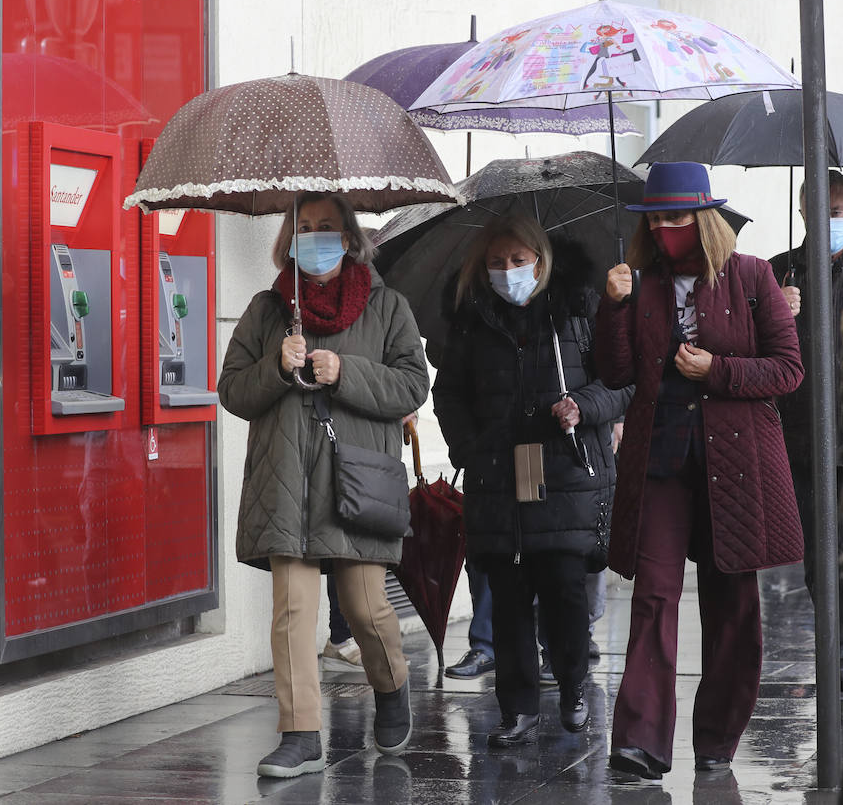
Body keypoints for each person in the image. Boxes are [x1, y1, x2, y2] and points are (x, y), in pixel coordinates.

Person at [597, 162, 804, 779]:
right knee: (653, 595)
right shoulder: (637, 283)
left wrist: (714, 370)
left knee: (732, 601)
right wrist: (613, 308)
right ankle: (640, 741)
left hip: (736, 464)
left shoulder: (751, 276)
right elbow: (615, 373)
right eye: (655, 219)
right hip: (660, 459)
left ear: (705, 219)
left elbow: (787, 370)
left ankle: (717, 736)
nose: (665, 229)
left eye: (677, 218)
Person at [218, 192, 429, 778]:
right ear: (290, 238)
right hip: (286, 481)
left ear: (348, 236)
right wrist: (276, 367)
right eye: (304, 226)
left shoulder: (386, 307)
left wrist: (346, 371)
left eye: (326, 227)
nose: (315, 237)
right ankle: (301, 733)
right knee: (292, 610)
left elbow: (413, 384)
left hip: (354, 478)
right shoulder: (267, 311)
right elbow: (232, 390)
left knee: (365, 607)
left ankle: (392, 685)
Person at [433, 215, 631, 747]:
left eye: (518, 260)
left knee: (565, 590)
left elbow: (621, 383)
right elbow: (448, 393)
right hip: (499, 476)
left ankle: (572, 688)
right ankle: (516, 708)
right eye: (497, 262)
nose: (508, 271)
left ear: (540, 262)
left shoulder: (578, 309)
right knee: (510, 595)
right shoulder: (472, 318)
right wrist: (470, 448)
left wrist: (583, 407)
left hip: (566, 473)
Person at [767, 169, 843, 607]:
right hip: (802, 440)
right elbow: (751, 348)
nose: (826, 220)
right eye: (817, 211)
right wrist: (775, 310)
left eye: (835, 211)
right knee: (820, 557)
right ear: (801, 213)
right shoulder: (777, 272)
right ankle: (835, 657)